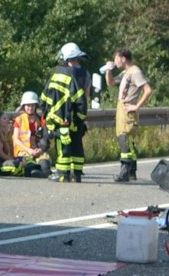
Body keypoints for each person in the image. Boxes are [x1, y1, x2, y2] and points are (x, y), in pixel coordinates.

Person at [41, 43, 92, 183]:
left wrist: (46, 113)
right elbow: (85, 98)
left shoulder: (57, 74)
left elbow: (45, 97)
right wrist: (80, 117)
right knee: (76, 144)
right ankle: (77, 173)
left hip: (61, 119)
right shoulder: (85, 74)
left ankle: (63, 174)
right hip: (77, 118)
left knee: (62, 145)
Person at [102, 49, 153, 182]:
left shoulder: (135, 72)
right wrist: (108, 70)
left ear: (123, 58)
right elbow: (111, 82)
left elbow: (147, 90)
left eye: (116, 59)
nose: (115, 61)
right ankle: (132, 171)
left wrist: (137, 106)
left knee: (124, 138)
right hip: (122, 107)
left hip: (128, 107)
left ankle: (125, 171)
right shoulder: (126, 73)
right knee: (128, 140)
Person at [1, 91, 52, 177]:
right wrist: (28, 150)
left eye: (32, 105)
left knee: (45, 164)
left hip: (36, 150)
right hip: (23, 151)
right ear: (24, 106)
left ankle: (42, 171)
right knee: (31, 167)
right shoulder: (19, 119)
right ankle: (32, 171)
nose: (30, 108)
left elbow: (44, 138)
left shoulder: (40, 120)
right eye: (28, 105)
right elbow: (16, 139)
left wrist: (40, 150)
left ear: (36, 106)